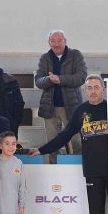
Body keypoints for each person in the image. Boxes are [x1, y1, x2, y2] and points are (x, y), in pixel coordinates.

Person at [29, 75, 108, 214]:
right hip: (93, 170)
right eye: (89, 88)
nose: (93, 91)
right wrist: (42, 150)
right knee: (96, 213)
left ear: (103, 89)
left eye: (96, 87)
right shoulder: (80, 111)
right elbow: (64, 136)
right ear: (85, 91)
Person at [35, 30, 87, 163]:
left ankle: (80, 169)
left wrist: (60, 79)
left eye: (59, 40)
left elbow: (81, 77)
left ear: (65, 41)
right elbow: (38, 81)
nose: (56, 44)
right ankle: (51, 171)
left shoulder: (75, 55)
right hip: (50, 109)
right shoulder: (44, 58)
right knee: (51, 144)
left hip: (72, 107)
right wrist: (49, 79)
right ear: (49, 43)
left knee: (77, 141)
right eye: (53, 41)